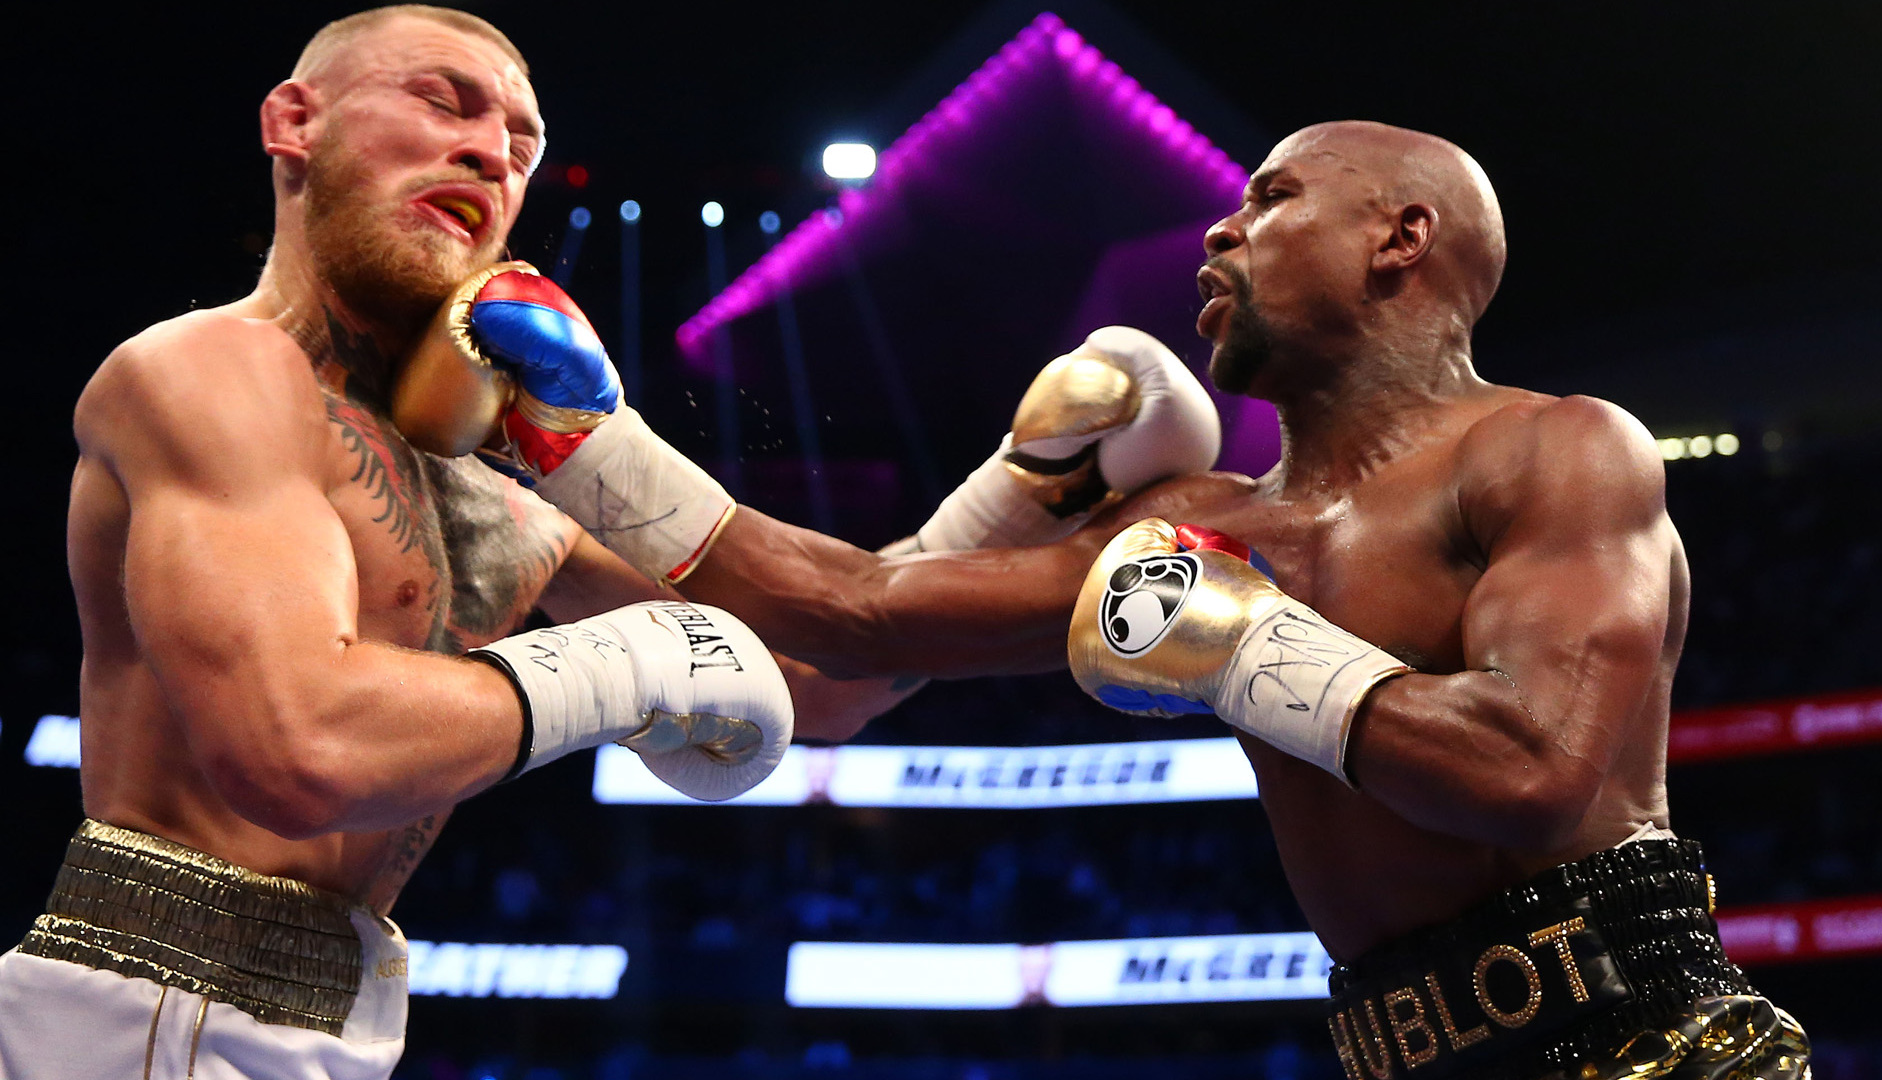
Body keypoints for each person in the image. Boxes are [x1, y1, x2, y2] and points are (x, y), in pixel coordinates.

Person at [433, 120, 1810, 1077]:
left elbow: (1533, 772)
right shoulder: (1190, 526)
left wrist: (1239, 642)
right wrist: (577, 451)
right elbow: (848, 627)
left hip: (1650, 1049)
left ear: (1404, 237)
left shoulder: (1557, 448)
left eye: (1274, 198)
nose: (1223, 221)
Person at [0, 7, 1219, 1079]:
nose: (487, 149)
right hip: (155, 1007)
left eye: (519, 143)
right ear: (293, 123)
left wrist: (1030, 488)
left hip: (335, 1014)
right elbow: (299, 744)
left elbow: (815, 677)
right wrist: (632, 663)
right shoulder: (207, 372)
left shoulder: (483, 494)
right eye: (442, 103)